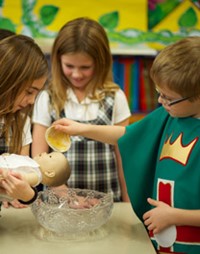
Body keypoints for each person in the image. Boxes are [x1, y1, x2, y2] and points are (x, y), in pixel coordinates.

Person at [50, 36, 200, 254]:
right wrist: (81, 128)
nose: (160, 101)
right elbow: (127, 135)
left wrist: (175, 215)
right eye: (159, 93)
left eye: (168, 97)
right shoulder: (170, 116)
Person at [31, 17, 131, 202]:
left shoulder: (116, 97)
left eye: (85, 67)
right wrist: (67, 195)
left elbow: (124, 158)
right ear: (57, 60)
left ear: (101, 63)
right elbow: (39, 158)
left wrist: (128, 204)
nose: (76, 74)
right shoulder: (46, 98)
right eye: (69, 66)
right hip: (59, 205)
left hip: (106, 204)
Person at [0, 34, 48, 208]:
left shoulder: (21, 122)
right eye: (29, 92)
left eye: (37, 93)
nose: (32, 101)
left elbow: (26, 185)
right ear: (8, 80)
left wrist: (24, 194)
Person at [0, 151, 70, 202]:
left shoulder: (36, 175)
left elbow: (20, 178)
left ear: (49, 173)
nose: (44, 153)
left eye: (49, 156)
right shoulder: (32, 164)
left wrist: (5, 174)